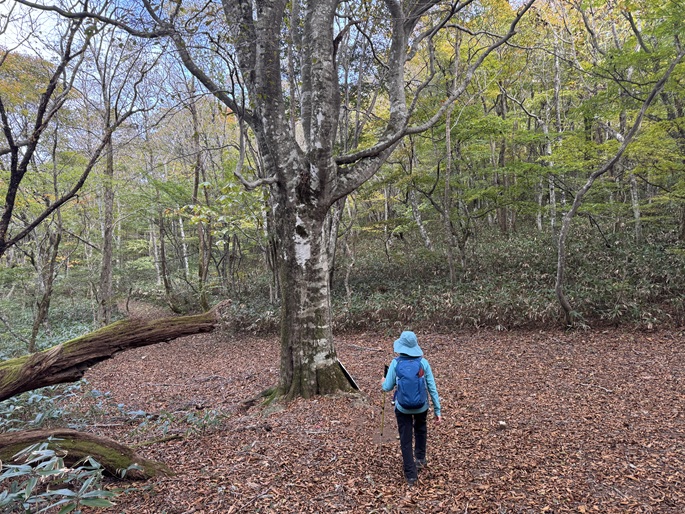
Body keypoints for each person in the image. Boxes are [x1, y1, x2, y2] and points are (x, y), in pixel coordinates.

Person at [382, 330, 441, 487]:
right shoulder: (423, 363)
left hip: (402, 407)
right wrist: (437, 410)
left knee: (405, 438)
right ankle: (420, 459)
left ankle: (411, 475)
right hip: (422, 406)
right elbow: (432, 387)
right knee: (421, 429)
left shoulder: (396, 363)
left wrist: (383, 381)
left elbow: (387, 387)